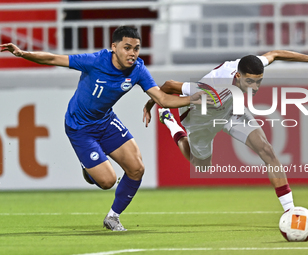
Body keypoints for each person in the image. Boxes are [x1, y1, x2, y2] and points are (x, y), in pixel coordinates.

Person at [0, 26, 202, 231]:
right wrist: (23, 53)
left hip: (105, 122)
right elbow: (54, 59)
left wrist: (192, 99)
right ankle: (89, 171)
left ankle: (113, 217)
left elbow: (162, 98)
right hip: (79, 127)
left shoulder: (138, 69)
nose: (132, 53)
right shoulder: (96, 61)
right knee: (107, 181)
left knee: (137, 168)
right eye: (127, 47)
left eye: (137, 48)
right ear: (114, 47)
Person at [143, 48, 308, 212]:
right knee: (202, 165)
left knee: (267, 150)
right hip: (200, 119)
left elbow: (275, 54)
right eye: (250, 82)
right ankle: (170, 123)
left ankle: (290, 211)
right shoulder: (212, 87)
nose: (255, 87)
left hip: (231, 109)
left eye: (259, 81)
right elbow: (169, 86)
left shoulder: (248, 67)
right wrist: (150, 104)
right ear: (238, 76)